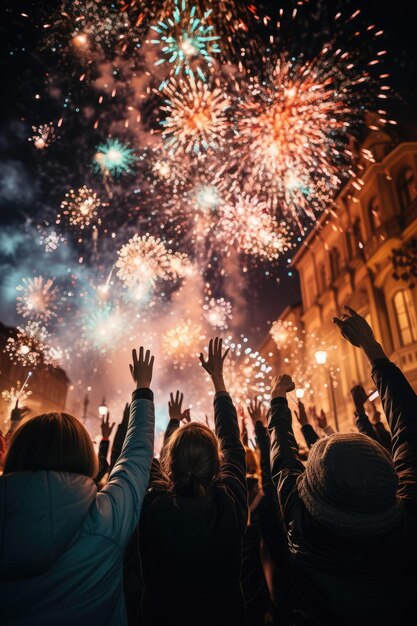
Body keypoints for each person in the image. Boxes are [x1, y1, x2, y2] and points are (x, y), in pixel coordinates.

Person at [267, 306, 417, 625]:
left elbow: (281, 459)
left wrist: (278, 398)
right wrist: (372, 349)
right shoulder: (410, 521)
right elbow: (409, 428)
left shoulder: (304, 534)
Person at [0, 347, 155, 626]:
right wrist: (142, 391)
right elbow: (137, 455)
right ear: (86, 455)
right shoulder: (106, 518)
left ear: (17, 450)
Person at [127, 337, 248, 626]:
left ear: (169, 463)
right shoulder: (229, 502)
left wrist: (145, 392)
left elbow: (142, 457)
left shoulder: (153, 506)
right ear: (217, 465)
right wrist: (219, 381)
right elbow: (232, 441)